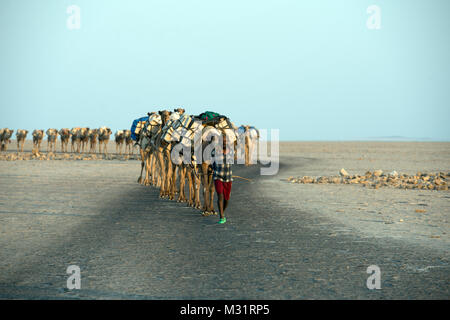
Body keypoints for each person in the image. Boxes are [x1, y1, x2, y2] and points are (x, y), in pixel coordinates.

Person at [212, 137, 233, 224]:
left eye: (225, 141)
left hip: (228, 178)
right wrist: (213, 169)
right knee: (220, 196)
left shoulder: (231, 151)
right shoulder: (215, 151)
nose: (224, 142)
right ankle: (221, 216)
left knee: (227, 199)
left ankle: (222, 211)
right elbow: (212, 163)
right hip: (218, 177)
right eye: (222, 141)